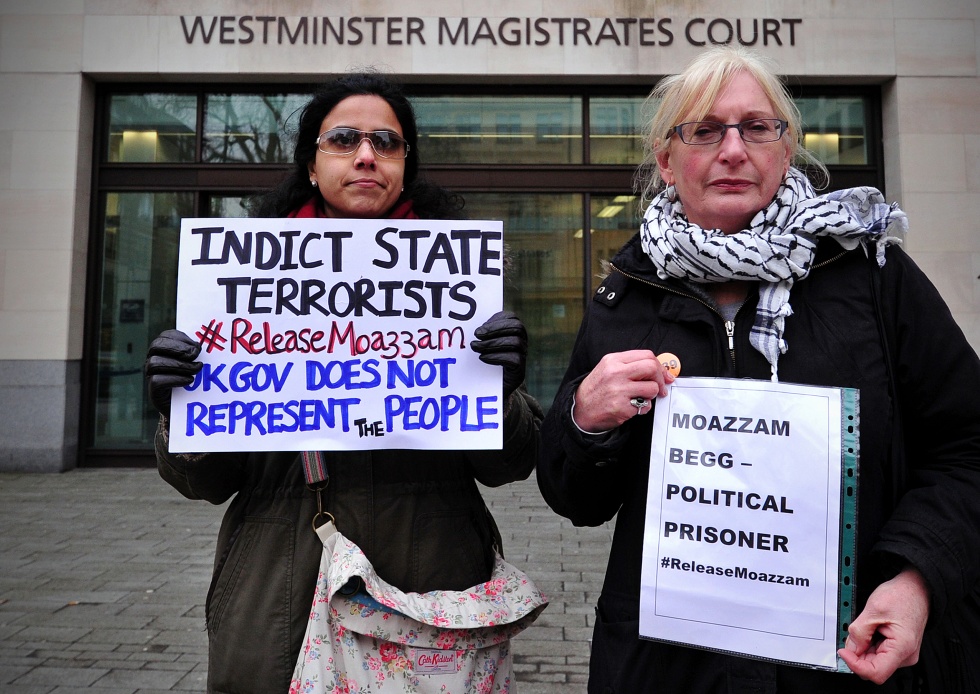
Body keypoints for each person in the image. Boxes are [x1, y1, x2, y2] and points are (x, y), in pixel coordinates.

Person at [536, 46, 980, 693]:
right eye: (706, 130)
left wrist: (916, 579)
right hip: (668, 669)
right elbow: (574, 498)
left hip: (852, 660)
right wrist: (583, 422)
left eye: (757, 127)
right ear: (667, 160)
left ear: (785, 147)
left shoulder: (874, 279)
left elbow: (967, 447)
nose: (734, 149)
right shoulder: (625, 294)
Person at [144, 71, 544, 693]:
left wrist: (499, 390)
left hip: (430, 588)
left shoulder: (459, 286)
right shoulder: (238, 289)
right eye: (344, 139)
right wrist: (180, 406)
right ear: (311, 163)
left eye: (387, 142)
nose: (366, 155)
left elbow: (510, 465)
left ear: (406, 165)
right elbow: (205, 481)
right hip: (276, 597)